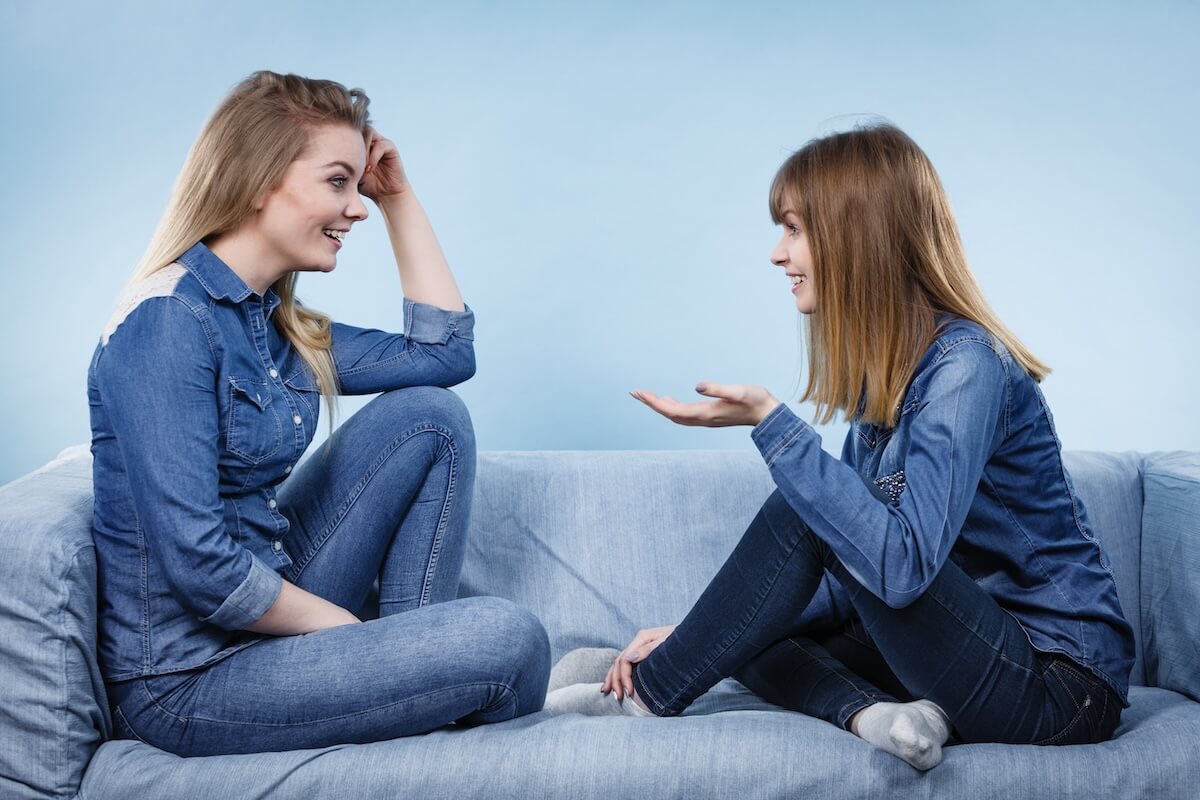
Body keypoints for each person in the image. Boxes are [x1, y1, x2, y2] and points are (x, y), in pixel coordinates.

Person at [544, 123, 1135, 770]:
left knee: (804, 511)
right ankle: (877, 716)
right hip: (969, 652)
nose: (777, 253)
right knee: (757, 633)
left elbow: (901, 569)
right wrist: (702, 633)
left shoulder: (965, 368)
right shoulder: (887, 382)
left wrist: (772, 423)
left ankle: (648, 698)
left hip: (1059, 684)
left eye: (794, 229)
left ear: (857, 238)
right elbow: (850, 572)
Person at [88, 71, 549, 757]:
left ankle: (415, 684)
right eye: (338, 182)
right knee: (512, 640)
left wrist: (398, 198)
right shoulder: (166, 323)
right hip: (189, 681)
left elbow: (443, 356)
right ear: (257, 180)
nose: (355, 207)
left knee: (430, 416)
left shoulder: (269, 323)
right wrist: (360, 639)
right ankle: (421, 678)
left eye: (358, 186)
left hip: (266, 612)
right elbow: (202, 567)